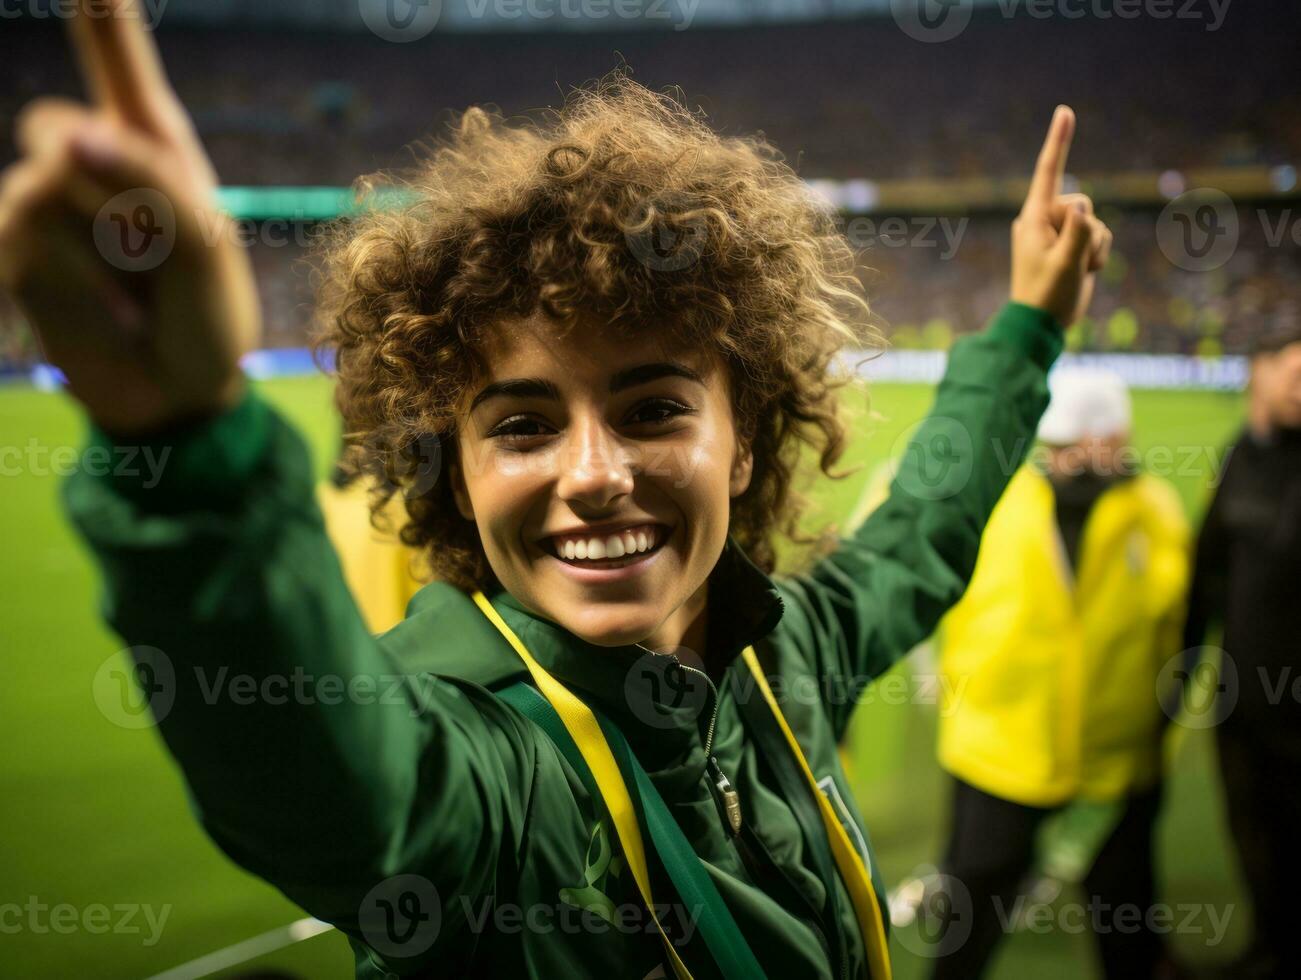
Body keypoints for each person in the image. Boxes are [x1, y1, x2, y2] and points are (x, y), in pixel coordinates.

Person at [0, 2, 1111, 976]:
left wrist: (1024, 331)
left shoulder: (785, 648)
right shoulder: (481, 766)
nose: (591, 474)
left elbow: (922, 529)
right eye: (523, 425)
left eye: (651, 408)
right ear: (454, 471)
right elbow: (329, 787)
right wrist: (190, 442)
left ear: (742, 439)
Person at [922, 369, 1190, 979]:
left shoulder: (1157, 513)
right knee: (970, 919)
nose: (1062, 456)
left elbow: (1178, 634)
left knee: (1126, 917)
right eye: (1056, 444)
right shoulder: (999, 498)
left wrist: (1157, 737)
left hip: (1115, 761)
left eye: (1076, 442)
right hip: (1001, 751)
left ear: (1117, 436)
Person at [1183, 325, 1301, 980]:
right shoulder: (1238, 458)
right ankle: (1269, 948)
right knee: (1256, 846)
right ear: (1257, 371)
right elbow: (1205, 573)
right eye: (1293, 371)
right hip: (1243, 716)